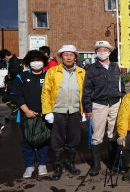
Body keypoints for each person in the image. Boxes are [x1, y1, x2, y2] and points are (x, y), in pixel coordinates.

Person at [41, 45, 86, 180]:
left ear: (75, 58)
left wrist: (85, 110)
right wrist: (47, 111)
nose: (68, 57)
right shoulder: (53, 71)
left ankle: (70, 164)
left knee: (74, 138)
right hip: (58, 111)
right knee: (57, 140)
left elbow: (86, 93)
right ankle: (58, 167)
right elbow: (46, 92)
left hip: (75, 111)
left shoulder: (81, 72)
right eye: (65, 55)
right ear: (61, 57)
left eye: (71, 55)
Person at [82, 41, 126, 176]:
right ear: (96, 52)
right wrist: (88, 108)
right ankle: (96, 165)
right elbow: (87, 90)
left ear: (110, 52)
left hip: (115, 103)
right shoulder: (91, 69)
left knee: (113, 134)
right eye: (99, 50)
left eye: (105, 49)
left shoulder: (115, 67)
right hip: (99, 105)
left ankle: (113, 162)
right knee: (97, 135)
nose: (102, 52)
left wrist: (122, 99)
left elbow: (121, 85)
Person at [9, 50, 50, 178]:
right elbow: (17, 96)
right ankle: (29, 166)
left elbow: (53, 95)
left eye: (39, 59)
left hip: (44, 115)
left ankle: (42, 164)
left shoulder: (49, 75)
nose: (36, 62)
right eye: (33, 60)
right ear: (28, 62)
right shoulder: (22, 76)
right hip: (26, 116)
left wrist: (47, 111)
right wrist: (26, 111)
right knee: (27, 142)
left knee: (44, 140)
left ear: (44, 62)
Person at [0, 49, 24, 121]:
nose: (4, 59)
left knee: (7, 98)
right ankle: (14, 111)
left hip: (14, 84)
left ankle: (16, 110)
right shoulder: (13, 61)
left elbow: (15, 73)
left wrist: (8, 77)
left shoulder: (15, 61)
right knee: (8, 98)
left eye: (4, 58)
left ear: (6, 56)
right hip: (12, 83)